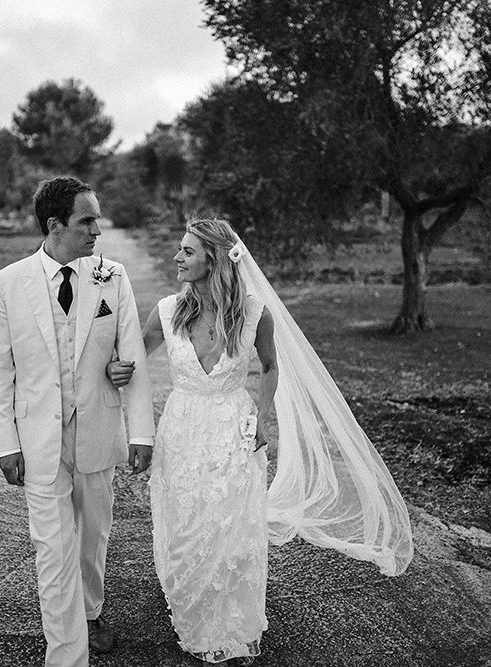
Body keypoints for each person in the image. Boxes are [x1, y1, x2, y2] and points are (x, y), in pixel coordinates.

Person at [130, 217, 413, 665]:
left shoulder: (254, 313)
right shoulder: (167, 311)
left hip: (232, 426)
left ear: (215, 259)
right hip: (182, 428)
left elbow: (271, 367)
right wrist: (116, 373)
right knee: (186, 520)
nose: (177, 257)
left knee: (228, 522)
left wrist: (262, 417)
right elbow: (133, 358)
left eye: (187, 251)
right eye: (179, 249)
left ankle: (226, 615)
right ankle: (186, 594)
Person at [0, 176, 155, 667]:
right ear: (55, 225)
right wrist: (5, 444)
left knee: (93, 534)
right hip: (38, 440)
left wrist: (139, 432)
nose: (98, 230)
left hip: (98, 428)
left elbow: (133, 359)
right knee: (53, 550)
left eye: (97, 219)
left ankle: (91, 609)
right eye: (87, 220)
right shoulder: (7, 284)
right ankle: (66, 655)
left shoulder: (112, 277)